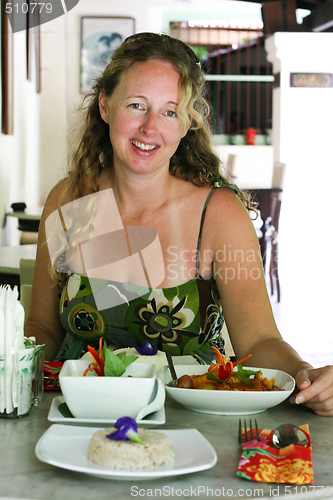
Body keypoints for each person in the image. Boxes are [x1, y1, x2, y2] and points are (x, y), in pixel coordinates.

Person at [25, 32, 333, 416]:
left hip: (193, 423)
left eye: (169, 111)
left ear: (188, 122)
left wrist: (306, 376)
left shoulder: (218, 214)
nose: (150, 127)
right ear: (105, 105)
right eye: (137, 105)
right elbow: (43, 326)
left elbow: (260, 338)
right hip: (74, 416)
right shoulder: (67, 200)